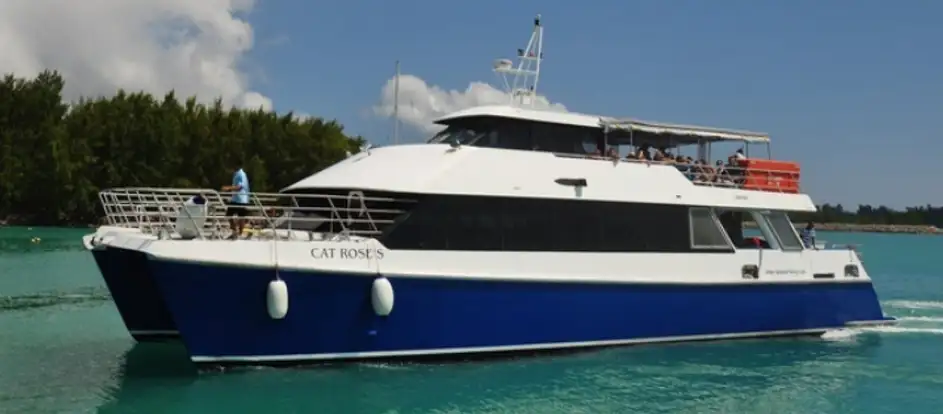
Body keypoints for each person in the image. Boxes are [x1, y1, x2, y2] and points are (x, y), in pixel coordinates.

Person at [222, 164, 250, 240]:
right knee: (233, 215)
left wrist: (228, 188)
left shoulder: (241, 174)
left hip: (241, 199)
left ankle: (238, 233)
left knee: (240, 216)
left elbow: (239, 187)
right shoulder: (237, 174)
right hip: (236, 199)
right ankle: (236, 232)